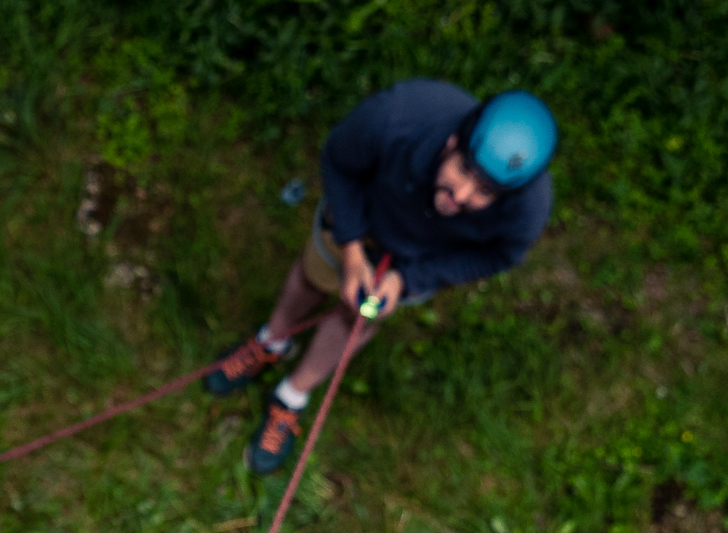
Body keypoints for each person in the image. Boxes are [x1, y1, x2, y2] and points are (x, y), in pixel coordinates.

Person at [206, 84, 557, 475]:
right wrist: (352, 249)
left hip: (413, 260)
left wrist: (408, 279)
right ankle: (270, 341)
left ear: (507, 196)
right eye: (463, 170)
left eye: (484, 192)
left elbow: (498, 256)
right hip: (357, 220)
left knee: (357, 318)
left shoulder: (527, 211)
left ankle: (292, 396)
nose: (460, 195)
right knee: (311, 278)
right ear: (453, 141)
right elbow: (339, 161)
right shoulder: (399, 115)